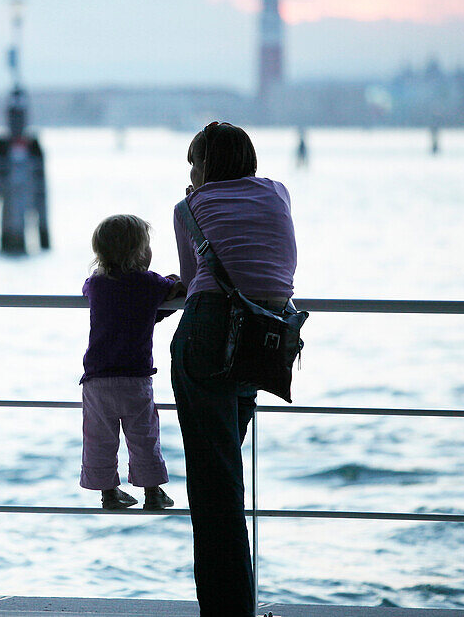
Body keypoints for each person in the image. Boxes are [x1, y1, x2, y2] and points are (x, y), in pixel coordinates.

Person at [170, 122, 297, 616]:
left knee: (212, 486)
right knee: (225, 476)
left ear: (209, 166)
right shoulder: (280, 193)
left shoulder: (189, 208)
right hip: (264, 337)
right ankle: (237, 604)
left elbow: (188, 281)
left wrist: (192, 201)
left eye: (195, 165)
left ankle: (225, 612)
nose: (192, 175)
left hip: (208, 335)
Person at [80, 214, 183, 511]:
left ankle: (109, 493)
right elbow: (172, 288)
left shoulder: (98, 283)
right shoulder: (149, 283)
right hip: (135, 379)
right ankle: (153, 492)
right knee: (143, 436)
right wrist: (174, 281)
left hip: (97, 379)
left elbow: (88, 289)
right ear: (140, 252)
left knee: (99, 438)